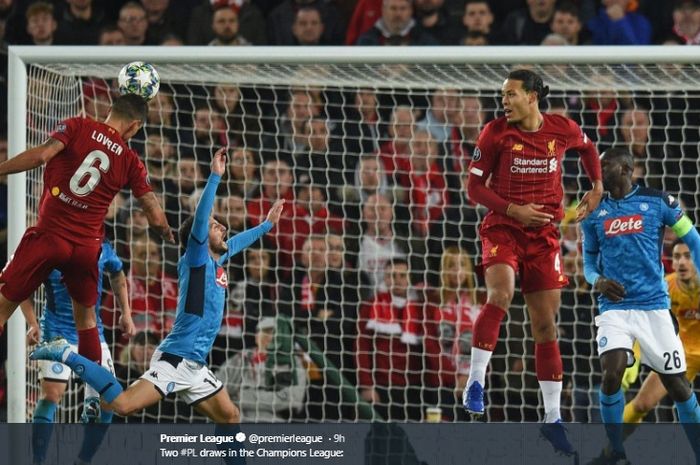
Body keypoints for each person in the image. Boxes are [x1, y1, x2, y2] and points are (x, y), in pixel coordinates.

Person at [30, 148, 283, 464]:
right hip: (175, 359)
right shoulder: (196, 258)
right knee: (122, 405)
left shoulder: (220, 260)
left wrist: (266, 227)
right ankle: (64, 353)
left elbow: (237, 242)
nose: (223, 228)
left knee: (230, 416)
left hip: (195, 364)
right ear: (199, 236)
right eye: (216, 226)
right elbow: (202, 220)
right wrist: (216, 176)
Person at [463, 69, 603, 455]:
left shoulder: (562, 128)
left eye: (511, 94)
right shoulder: (495, 133)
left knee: (545, 325)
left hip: (544, 239)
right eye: (502, 94)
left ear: (532, 97)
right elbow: (473, 187)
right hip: (503, 228)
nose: (504, 100)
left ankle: (553, 418)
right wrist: (513, 210)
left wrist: (598, 187)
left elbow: (589, 149)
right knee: (501, 294)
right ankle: (476, 381)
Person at [0, 94, 171, 387]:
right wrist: (170, 234)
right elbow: (155, 215)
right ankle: (96, 391)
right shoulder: (131, 160)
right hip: (86, 247)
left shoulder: (77, 126)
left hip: (50, 235)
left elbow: (42, 156)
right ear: (134, 126)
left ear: (109, 110)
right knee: (87, 322)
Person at [581, 148, 700, 464]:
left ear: (624, 168)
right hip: (614, 308)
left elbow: (694, 238)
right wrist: (597, 281)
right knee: (612, 372)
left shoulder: (658, 200)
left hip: (654, 308)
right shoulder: (594, 212)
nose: (597, 170)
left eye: (603, 165)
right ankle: (615, 448)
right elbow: (588, 263)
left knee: (678, 388)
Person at [24, 238, 134, 464]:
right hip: (57, 331)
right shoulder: (49, 246)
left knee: (109, 400)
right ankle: (38, 459)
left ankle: (83, 459)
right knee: (52, 394)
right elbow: (20, 285)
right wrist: (32, 323)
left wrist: (126, 312)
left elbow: (118, 273)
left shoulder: (102, 247)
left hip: (94, 333)